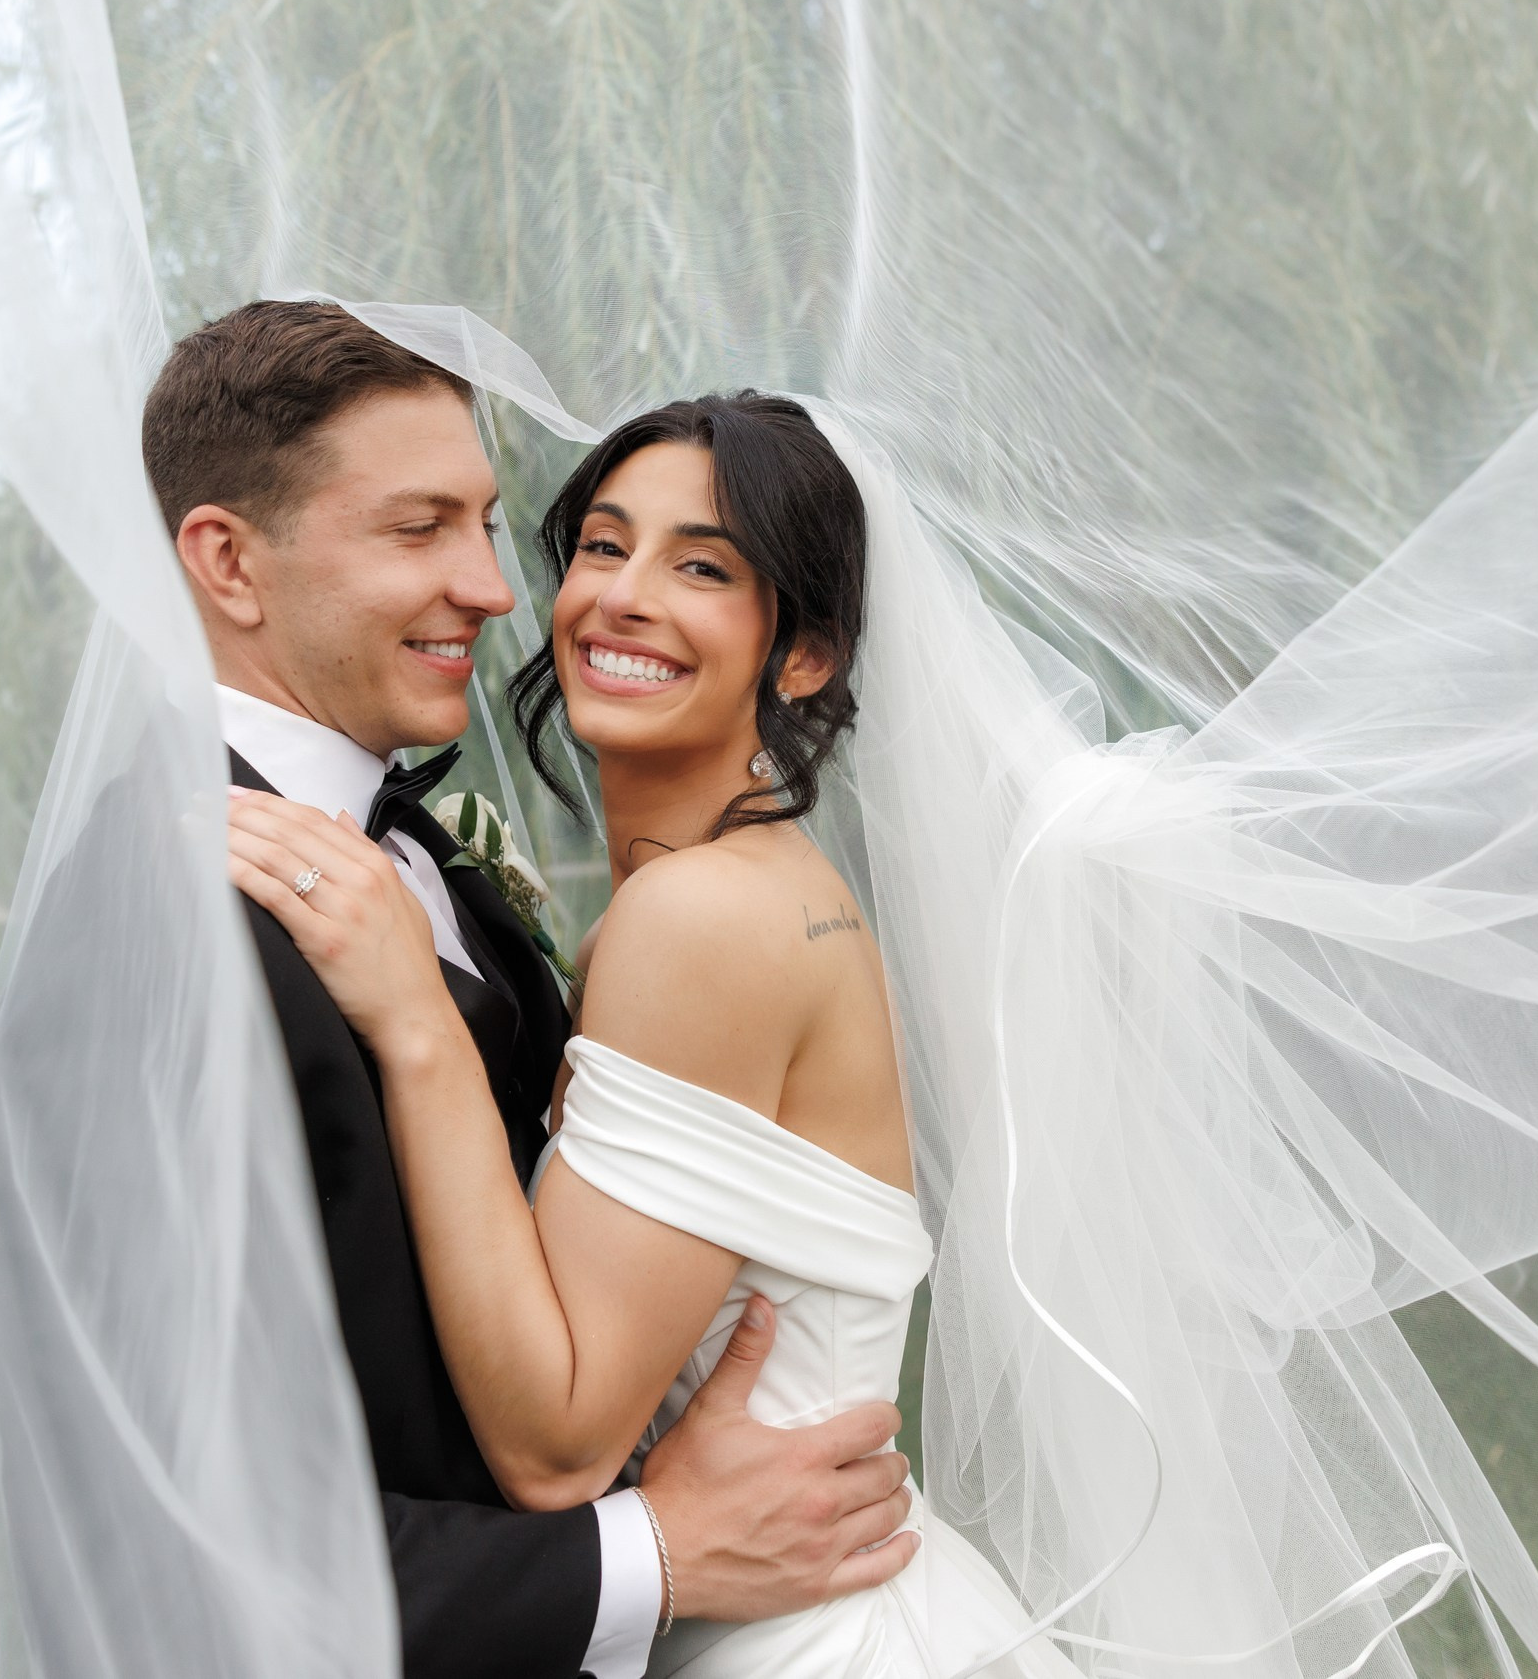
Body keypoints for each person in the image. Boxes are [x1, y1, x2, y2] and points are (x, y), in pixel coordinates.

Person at [226, 390, 1074, 1676]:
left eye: (702, 567)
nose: (620, 596)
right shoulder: (730, 892)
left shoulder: (703, 917)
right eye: (604, 546)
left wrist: (413, 1014)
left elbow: (557, 1440)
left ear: (803, 656)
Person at [139, 303, 919, 1679]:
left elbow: (552, 1412)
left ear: (805, 654)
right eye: (419, 526)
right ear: (227, 563)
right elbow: (171, 1517)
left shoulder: (652, 908)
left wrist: (421, 1027)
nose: (506, 588)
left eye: (490, 524)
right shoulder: (170, 916)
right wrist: (652, 1556)